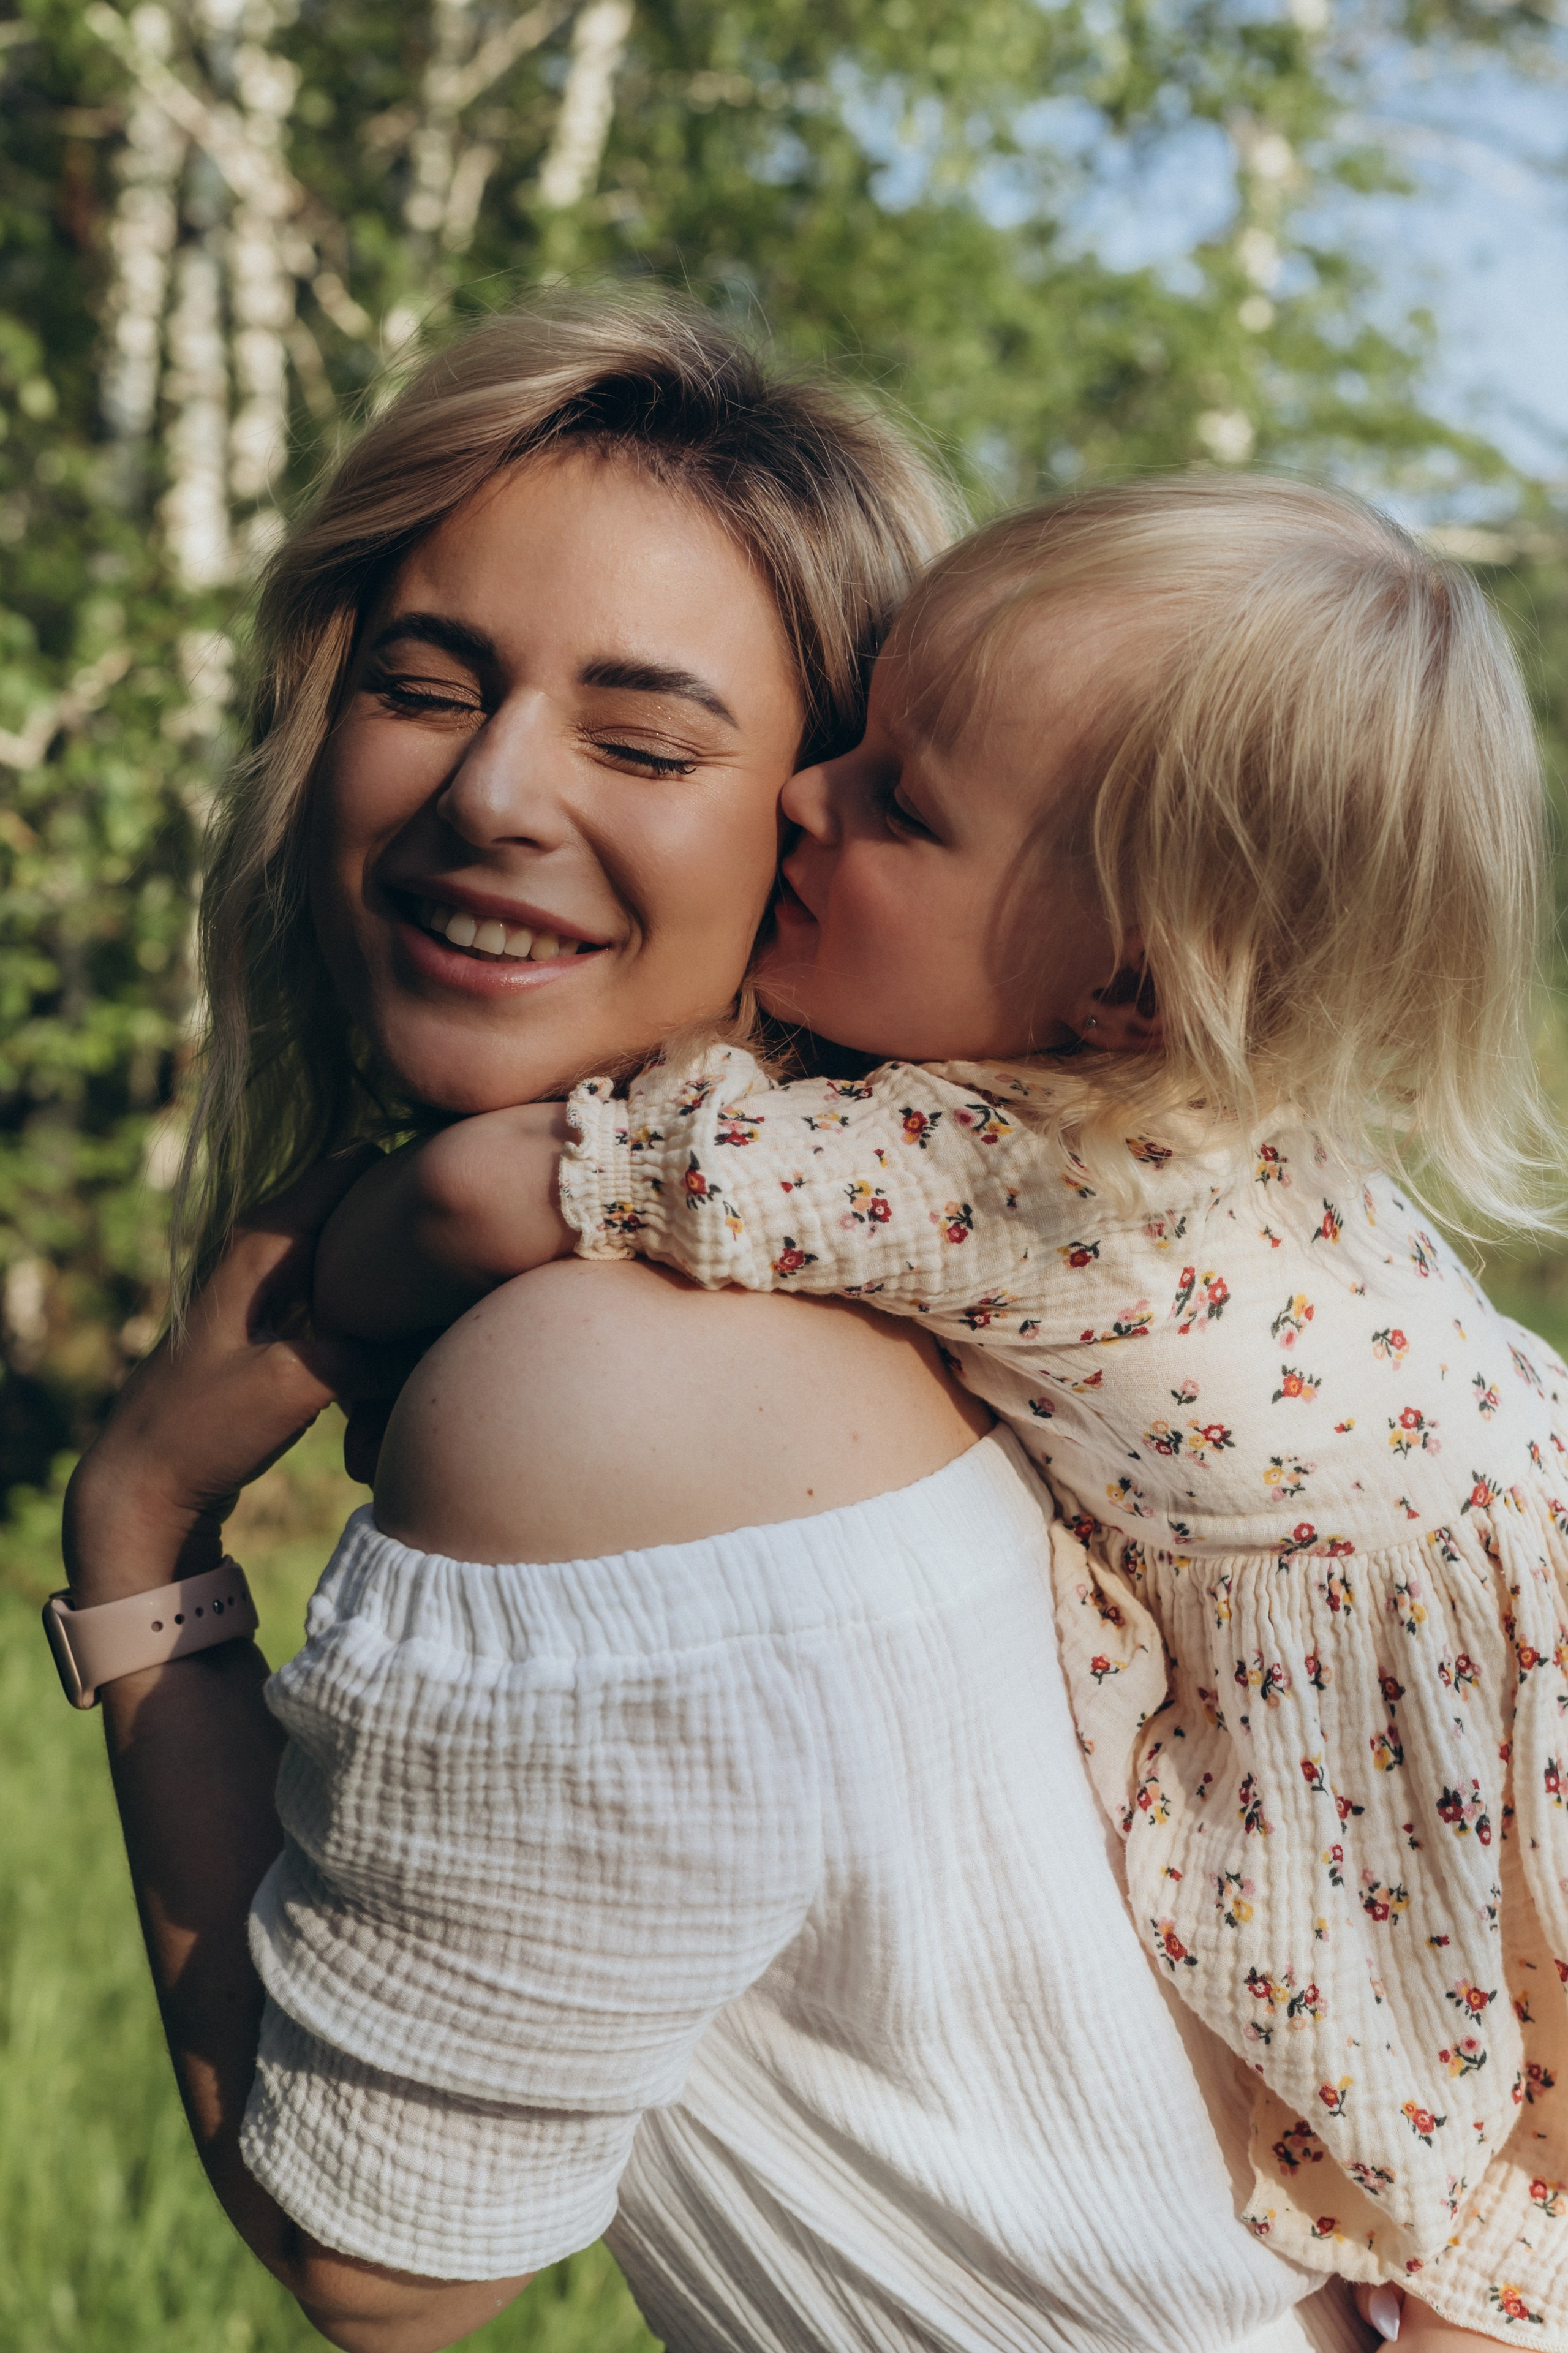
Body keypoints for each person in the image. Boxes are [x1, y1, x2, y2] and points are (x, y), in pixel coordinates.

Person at [62, 301, 1371, 2353]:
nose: (492, 790)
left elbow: (390, 2268)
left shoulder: (602, 1371)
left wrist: (141, 1526)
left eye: (647, 742)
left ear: (832, 808)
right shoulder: (981, 1258)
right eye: (425, 685)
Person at [314, 475, 1568, 2347]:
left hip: (1407, 1740)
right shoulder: (1221, 1121)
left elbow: (523, 1189)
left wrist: (289, 1307)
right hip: (1507, 1619)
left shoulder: (999, 1172)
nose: (806, 796)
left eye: (900, 800)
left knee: (1430, 2160)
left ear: (1125, 985)